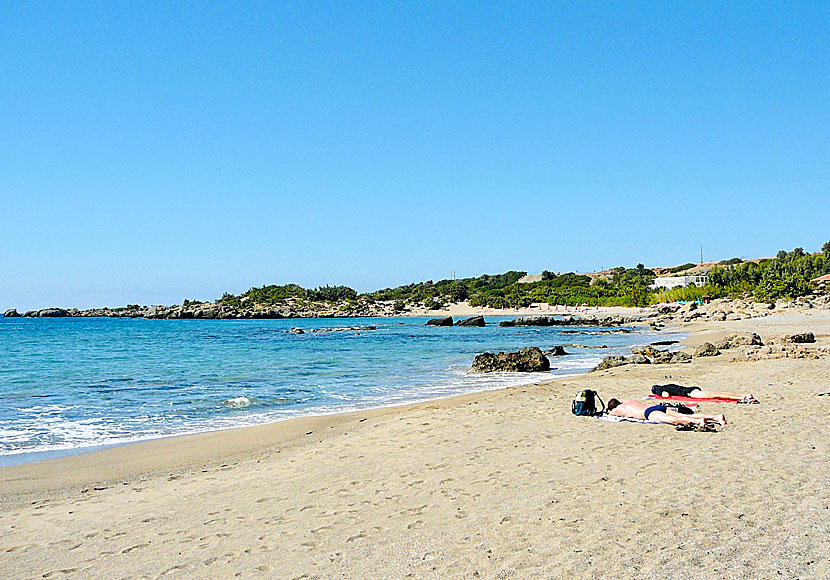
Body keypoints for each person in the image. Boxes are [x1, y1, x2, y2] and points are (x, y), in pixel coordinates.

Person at [607, 398, 726, 429]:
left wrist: (608, 410)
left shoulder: (618, 409)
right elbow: (622, 401)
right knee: (682, 416)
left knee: (674, 420)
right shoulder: (629, 401)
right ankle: (716, 417)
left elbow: (610, 413)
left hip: (648, 413)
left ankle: (698, 421)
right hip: (655, 406)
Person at [651, 383, 758, 403]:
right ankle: (742, 395)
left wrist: (660, 396)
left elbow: (666, 396)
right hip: (691, 389)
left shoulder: (660, 390)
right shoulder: (665, 385)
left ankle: (742, 396)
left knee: (717, 395)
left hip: (690, 394)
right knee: (717, 393)